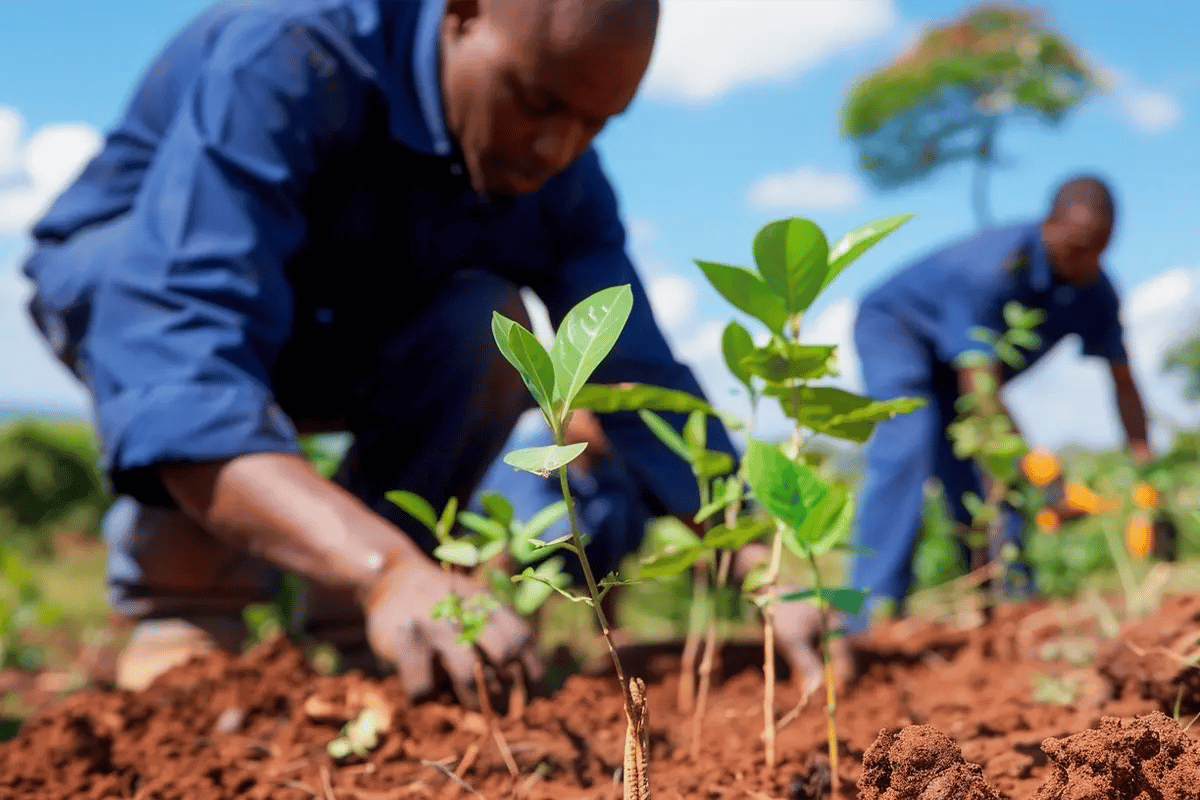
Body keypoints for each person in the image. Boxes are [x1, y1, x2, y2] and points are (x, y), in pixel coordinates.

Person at [20, 0, 818, 701]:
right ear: (463, 13)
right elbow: (186, 343)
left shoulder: (563, 175)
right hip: (150, 290)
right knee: (159, 289)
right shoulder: (292, 53)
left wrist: (758, 551)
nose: (555, 148)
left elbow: (634, 368)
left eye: (593, 124)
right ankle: (189, 608)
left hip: (338, 330)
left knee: (493, 327)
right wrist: (385, 569)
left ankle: (361, 621)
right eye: (537, 102)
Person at [845, 175, 1152, 634]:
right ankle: (870, 614)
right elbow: (982, 393)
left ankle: (1008, 599)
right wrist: (1045, 476)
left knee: (982, 472)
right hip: (898, 332)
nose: (1089, 261)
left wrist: (1145, 471)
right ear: (1049, 226)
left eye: (1101, 248)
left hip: (968, 372)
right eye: (1077, 248)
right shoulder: (992, 268)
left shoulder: (1095, 290)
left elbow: (1124, 381)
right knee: (910, 444)